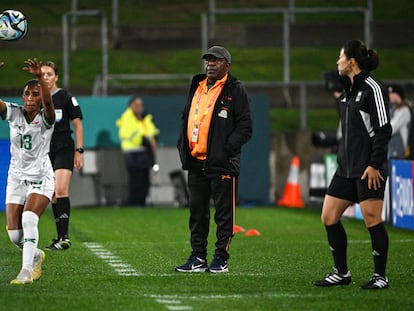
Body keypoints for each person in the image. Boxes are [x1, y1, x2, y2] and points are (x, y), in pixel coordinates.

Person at [313, 40, 392, 289]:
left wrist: (375, 164)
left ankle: (380, 276)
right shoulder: (347, 91)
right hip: (346, 169)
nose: (337, 61)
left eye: (340, 57)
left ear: (352, 62)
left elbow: (383, 130)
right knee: (328, 216)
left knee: (372, 220)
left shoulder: (373, 88)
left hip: (369, 168)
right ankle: (341, 273)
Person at [175, 45, 253, 273]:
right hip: (196, 162)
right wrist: (184, 143)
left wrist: (225, 149)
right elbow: (188, 115)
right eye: (208, 60)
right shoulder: (197, 85)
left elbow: (246, 126)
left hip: (221, 162)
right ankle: (198, 257)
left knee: (223, 215)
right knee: (197, 214)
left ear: (227, 65)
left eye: (216, 60)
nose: (210, 63)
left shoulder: (235, 89)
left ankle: (221, 257)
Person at [0, 58, 55, 284]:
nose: (30, 98)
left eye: (35, 94)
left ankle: (26, 271)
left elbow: (50, 105)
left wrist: (41, 79)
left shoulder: (46, 118)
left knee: (29, 219)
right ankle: (35, 254)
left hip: (40, 177)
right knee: (15, 235)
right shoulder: (13, 113)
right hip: (16, 176)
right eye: (27, 94)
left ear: (42, 97)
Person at [41, 61, 84, 251]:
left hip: (64, 148)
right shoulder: (36, 96)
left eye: (49, 74)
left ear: (56, 77)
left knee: (60, 189)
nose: (46, 78)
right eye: (42, 74)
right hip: (44, 151)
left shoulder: (65, 97)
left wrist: (79, 150)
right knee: (53, 195)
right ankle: (60, 238)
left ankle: (65, 237)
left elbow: (77, 125)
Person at [116, 96, 159, 206]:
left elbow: (152, 131)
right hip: (133, 153)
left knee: (144, 178)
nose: (140, 108)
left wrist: (153, 140)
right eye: (137, 105)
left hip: (145, 152)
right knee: (136, 179)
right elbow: (130, 134)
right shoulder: (127, 117)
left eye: (141, 105)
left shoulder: (145, 118)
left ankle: (142, 202)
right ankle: (134, 202)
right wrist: (147, 141)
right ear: (131, 106)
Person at [387, 84, 412, 159]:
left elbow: (392, 128)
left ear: (397, 95)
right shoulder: (393, 109)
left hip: (398, 152)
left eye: (391, 93)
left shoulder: (404, 110)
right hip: (391, 151)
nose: (389, 95)